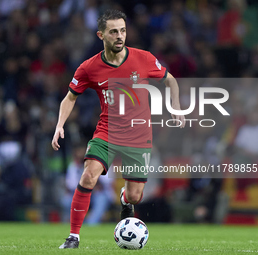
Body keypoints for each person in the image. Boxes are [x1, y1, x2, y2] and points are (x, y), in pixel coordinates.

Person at [51, 9, 185, 249]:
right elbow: (70, 97)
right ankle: (73, 237)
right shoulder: (89, 67)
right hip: (107, 133)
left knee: (134, 196)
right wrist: (59, 125)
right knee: (88, 175)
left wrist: (175, 106)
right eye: (113, 31)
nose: (119, 35)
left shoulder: (143, 58)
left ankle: (125, 201)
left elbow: (170, 79)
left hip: (139, 136)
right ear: (101, 35)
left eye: (122, 30)